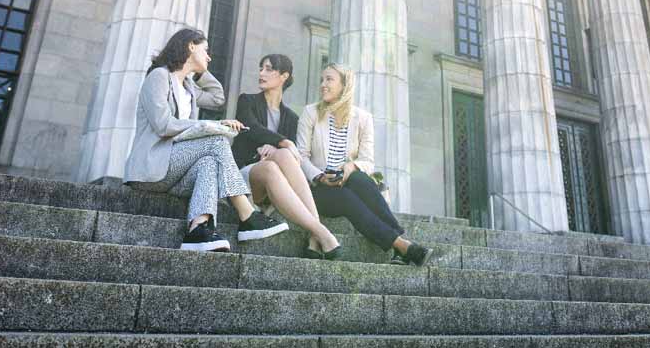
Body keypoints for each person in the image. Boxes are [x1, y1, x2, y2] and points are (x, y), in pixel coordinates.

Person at [125, 28, 288, 252]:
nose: (210, 57)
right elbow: (163, 125)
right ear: (191, 46)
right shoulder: (159, 76)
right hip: (153, 166)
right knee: (216, 140)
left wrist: (199, 70)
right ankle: (247, 213)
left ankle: (198, 229)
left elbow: (217, 97)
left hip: (175, 170)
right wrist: (210, 126)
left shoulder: (189, 87)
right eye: (206, 51)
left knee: (209, 162)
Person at [297, 63, 433, 266]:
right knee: (346, 197)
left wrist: (350, 168)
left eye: (329, 79)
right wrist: (320, 176)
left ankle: (400, 245)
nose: (323, 85)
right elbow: (300, 156)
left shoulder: (362, 118)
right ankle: (402, 245)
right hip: (316, 188)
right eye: (322, 80)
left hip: (348, 180)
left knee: (359, 178)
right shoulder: (311, 113)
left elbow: (367, 161)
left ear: (344, 85)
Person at [232, 54, 342, 259]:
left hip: (277, 185)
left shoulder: (291, 118)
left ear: (284, 76)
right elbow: (252, 128)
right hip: (244, 179)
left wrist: (276, 148)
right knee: (277, 159)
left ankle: (315, 234)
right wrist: (283, 142)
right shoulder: (247, 101)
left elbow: (292, 157)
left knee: (281, 156)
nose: (261, 73)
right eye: (261, 68)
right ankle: (321, 233)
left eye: (268, 69)